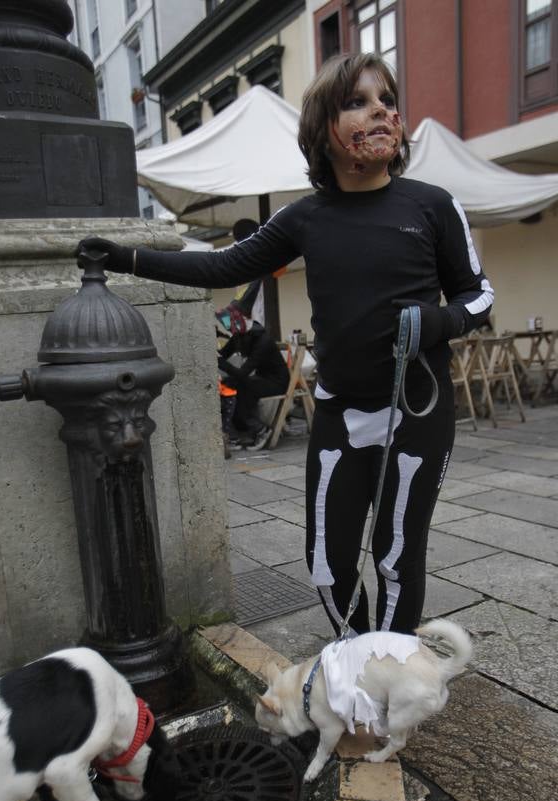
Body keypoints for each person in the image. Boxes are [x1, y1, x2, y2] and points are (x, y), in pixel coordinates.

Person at [76, 52, 493, 637]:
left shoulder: (432, 204)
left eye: (386, 100)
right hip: (340, 413)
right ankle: (356, 656)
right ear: (325, 128)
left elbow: (478, 297)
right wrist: (124, 257)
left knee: (396, 558)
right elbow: (220, 266)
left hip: (417, 411)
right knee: (326, 563)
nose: (380, 111)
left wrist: (437, 321)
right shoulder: (305, 219)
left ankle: (383, 683)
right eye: (357, 102)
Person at [215, 300, 290, 450]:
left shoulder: (263, 340)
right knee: (229, 383)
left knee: (242, 387)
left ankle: (260, 429)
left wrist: (220, 361)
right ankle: (238, 432)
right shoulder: (239, 336)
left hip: (277, 382)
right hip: (262, 378)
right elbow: (224, 353)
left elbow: (242, 373)